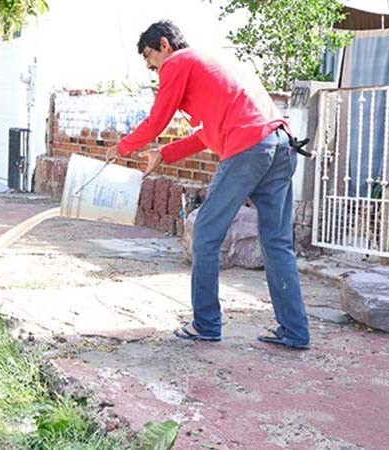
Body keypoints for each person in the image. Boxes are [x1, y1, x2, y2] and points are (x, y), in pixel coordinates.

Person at [106, 20, 310, 349]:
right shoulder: (213, 67)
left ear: (164, 45)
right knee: (277, 242)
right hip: (281, 145)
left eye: (149, 57)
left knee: (205, 233)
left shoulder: (177, 63)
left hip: (249, 148)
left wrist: (123, 147)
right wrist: (165, 154)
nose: (151, 66)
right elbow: (206, 134)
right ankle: (295, 331)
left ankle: (206, 324)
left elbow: (157, 119)